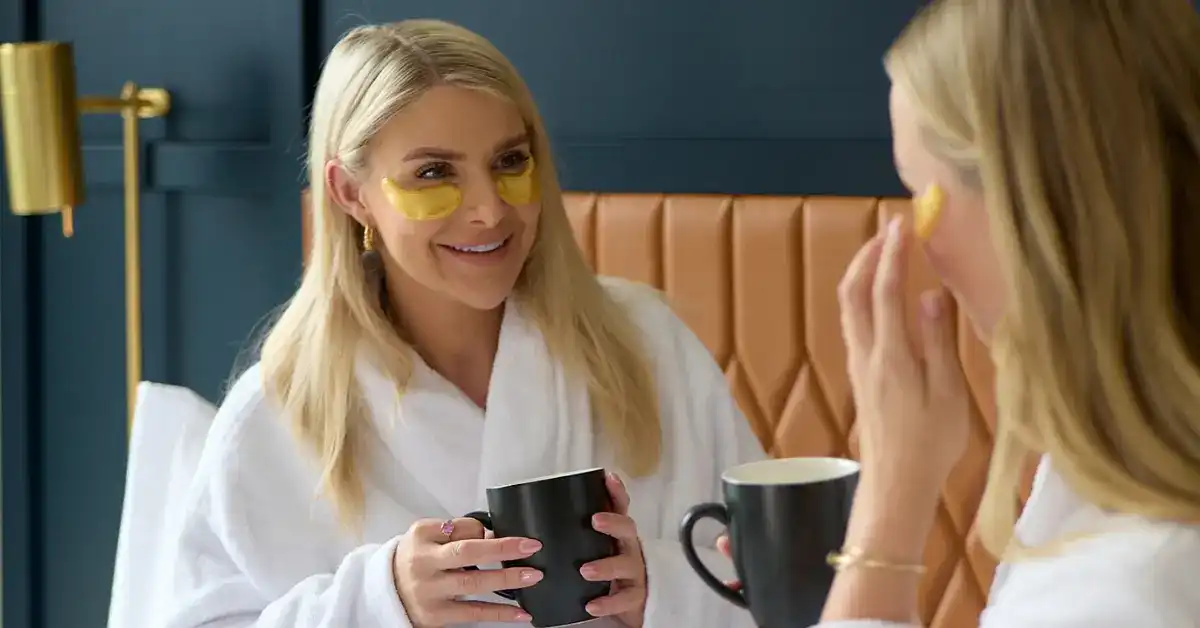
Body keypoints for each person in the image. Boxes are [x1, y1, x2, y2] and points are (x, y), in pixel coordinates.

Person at [162, 19, 765, 628]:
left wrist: (658, 589)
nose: (489, 209)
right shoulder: (275, 416)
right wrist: (381, 601)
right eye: (433, 173)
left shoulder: (647, 344)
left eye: (509, 161)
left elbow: (778, 577)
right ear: (351, 192)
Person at [718, 0, 1200, 625]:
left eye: (919, 192)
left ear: (1029, 212)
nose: (914, 239)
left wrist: (890, 507)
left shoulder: (1128, 589)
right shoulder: (1118, 479)